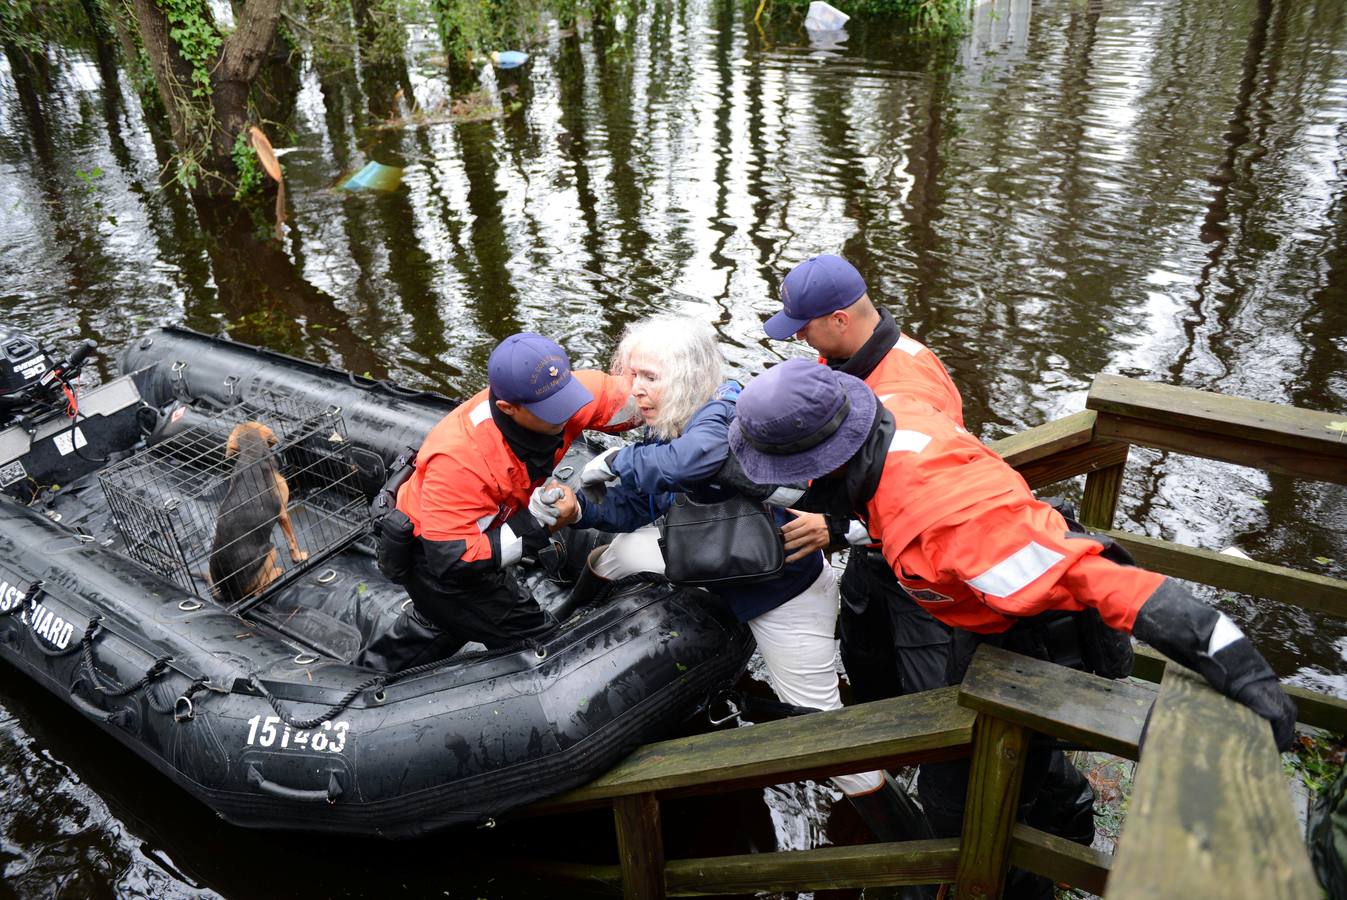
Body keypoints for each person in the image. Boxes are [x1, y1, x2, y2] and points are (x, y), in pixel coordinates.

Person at [727, 359, 1298, 898]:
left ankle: (1020, 881)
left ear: (829, 459)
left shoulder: (954, 528)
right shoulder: (891, 410)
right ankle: (1067, 824)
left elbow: (1108, 581)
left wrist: (1239, 668)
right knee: (999, 758)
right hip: (974, 622)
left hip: (1031, 635)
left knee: (965, 804)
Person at [573, 315, 932, 860]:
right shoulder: (665, 425)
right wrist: (578, 510)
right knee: (615, 553)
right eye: (632, 375)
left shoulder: (722, 415)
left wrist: (618, 459)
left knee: (825, 739)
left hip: (784, 597)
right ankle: (572, 619)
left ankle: (918, 852)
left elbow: (698, 460)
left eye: (650, 377)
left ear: (689, 376)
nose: (635, 389)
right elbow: (637, 506)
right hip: (726, 568)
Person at [354, 333, 636, 673]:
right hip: (437, 559)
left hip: (480, 527)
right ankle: (363, 690)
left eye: (567, 398)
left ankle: (370, 672)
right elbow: (454, 560)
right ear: (508, 408)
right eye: (551, 410)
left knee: (437, 624)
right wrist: (538, 523)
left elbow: (640, 402)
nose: (567, 413)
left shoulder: (563, 392)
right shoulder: (461, 460)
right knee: (541, 646)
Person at [765, 254, 956, 700]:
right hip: (869, 551)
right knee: (863, 656)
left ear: (839, 319)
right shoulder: (847, 355)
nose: (798, 336)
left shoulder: (907, 395)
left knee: (932, 693)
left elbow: (925, 503)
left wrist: (835, 528)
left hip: (922, 567)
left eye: (804, 326)